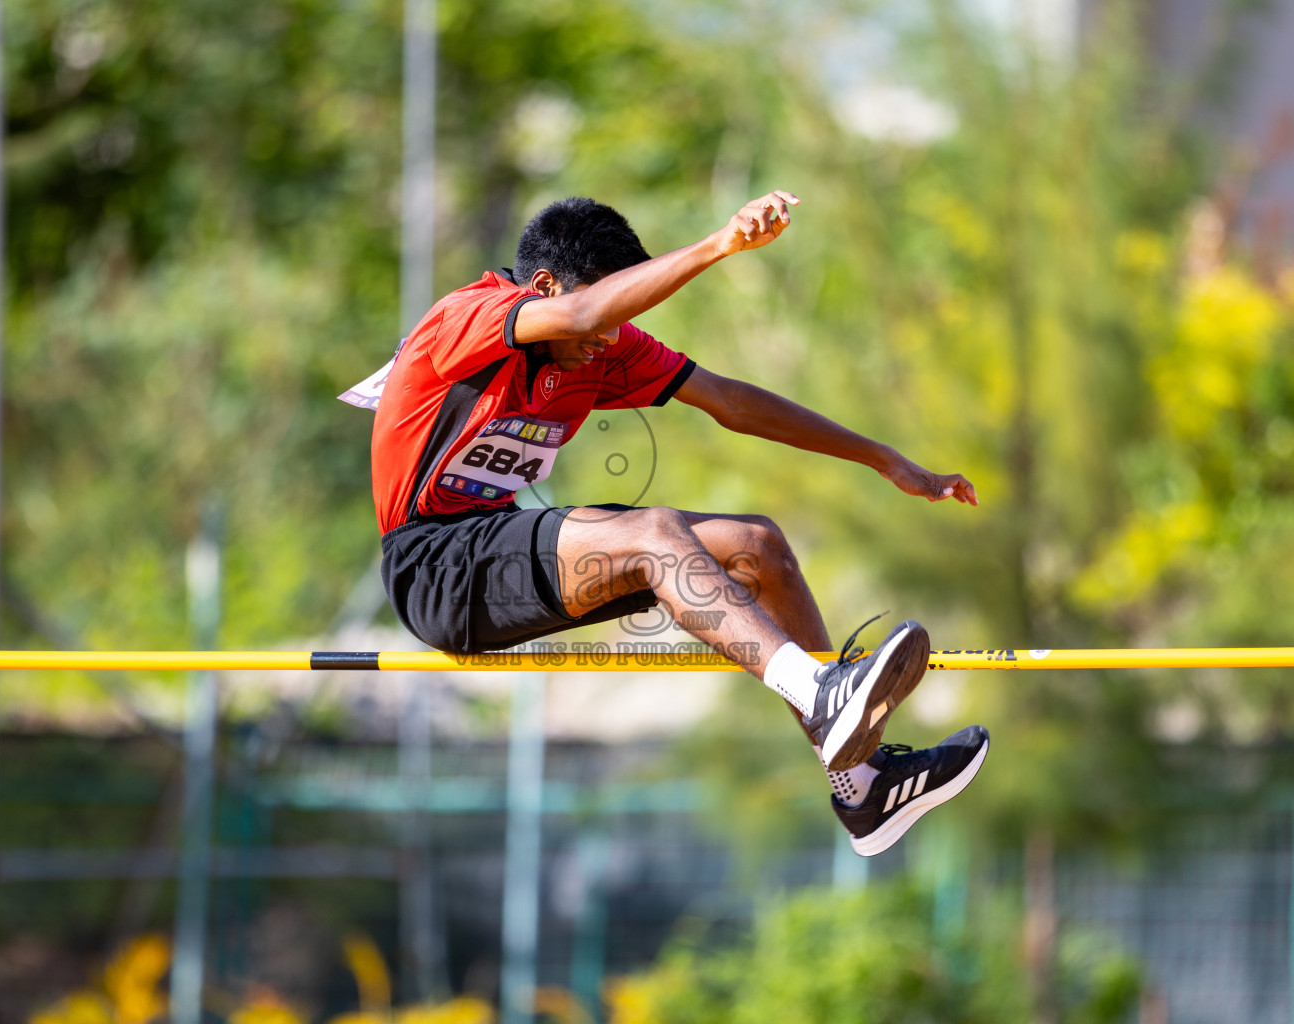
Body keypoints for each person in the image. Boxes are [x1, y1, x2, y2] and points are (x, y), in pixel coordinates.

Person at [357, 191, 989, 855]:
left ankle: (859, 787)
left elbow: (729, 402)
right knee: (655, 533)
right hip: (434, 567)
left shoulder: (599, 345)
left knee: (756, 547)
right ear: (543, 288)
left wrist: (882, 457)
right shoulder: (468, 316)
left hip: (500, 553)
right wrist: (721, 244)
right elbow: (583, 312)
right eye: (600, 323)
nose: (605, 343)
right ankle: (820, 691)